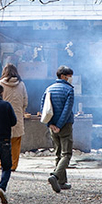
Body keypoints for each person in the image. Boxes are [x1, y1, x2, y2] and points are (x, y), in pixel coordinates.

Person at [42, 65, 75, 193]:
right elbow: (67, 110)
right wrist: (60, 126)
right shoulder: (69, 90)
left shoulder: (49, 89)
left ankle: (61, 182)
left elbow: (44, 108)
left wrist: (50, 124)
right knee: (66, 154)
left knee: (58, 153)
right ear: (63, 76)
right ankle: (55, 176)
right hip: (64, 125)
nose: (71, 79)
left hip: (52, 125)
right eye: (69, 76)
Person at [0, 63, 29, 171]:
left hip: (3, 117)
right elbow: (25, 101)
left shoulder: (0, 84)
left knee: (3, 142)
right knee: (16, 143)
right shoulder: (21, 84)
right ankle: (13, 165)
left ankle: (2, 164)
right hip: (17, 117)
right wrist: (21, 110)